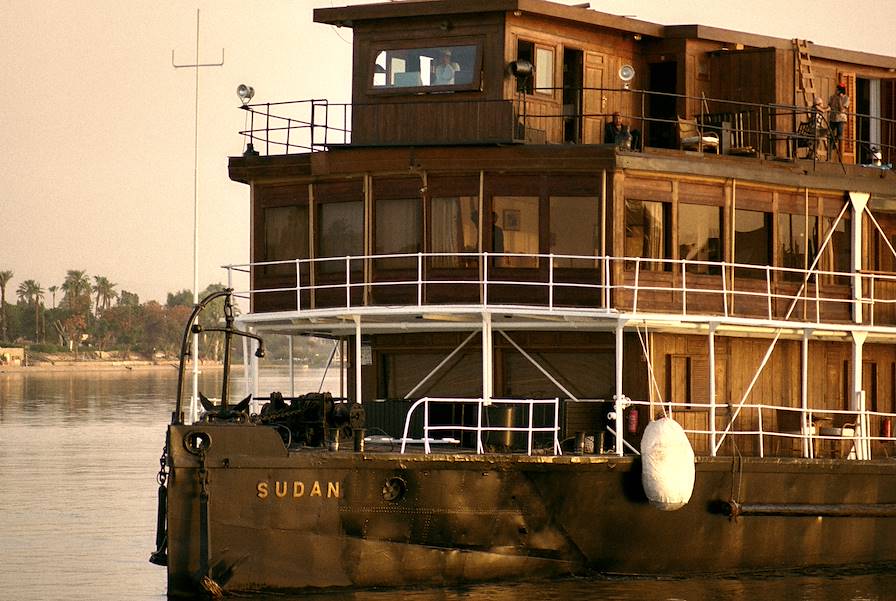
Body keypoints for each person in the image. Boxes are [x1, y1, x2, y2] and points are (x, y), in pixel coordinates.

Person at [828, 83, 850, 159]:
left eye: (837, 89)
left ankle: (840, 156)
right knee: (830, 136)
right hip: (832, 118)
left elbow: (842, 110)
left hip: (841, 119)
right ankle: (829, 157)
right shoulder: (832, 97)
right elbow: (829, 106)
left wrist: (839, 100)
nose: (836, 90)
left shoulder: (846, 98)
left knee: (840, 135)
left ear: (841, 91)